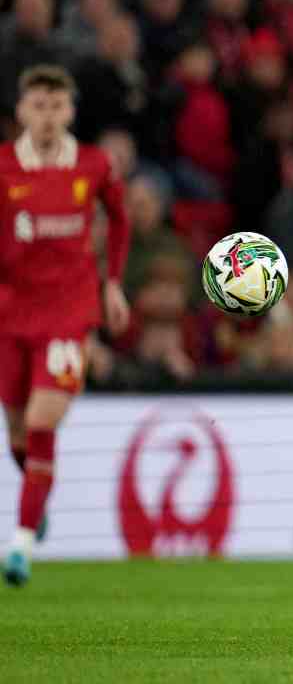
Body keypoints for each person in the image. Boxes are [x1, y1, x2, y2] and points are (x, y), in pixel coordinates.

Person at [0, 65, 131, 586]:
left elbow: (120, 219)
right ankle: (39, 497)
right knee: (15, 430)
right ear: (21, 112)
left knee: (41, 422)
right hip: (12, 313)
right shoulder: (5, 167)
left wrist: (113, 284)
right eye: (38, 105)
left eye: (57, 106)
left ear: (71, 111)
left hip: (70, 314)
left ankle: (21, 545)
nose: (48, 116)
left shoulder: (96, 165)